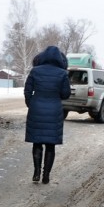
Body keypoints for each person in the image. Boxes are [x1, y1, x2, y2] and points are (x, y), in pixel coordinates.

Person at [24, 46, 71, 184]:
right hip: (54, 110)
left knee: (37, 142)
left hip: (36, 109)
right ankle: (46, 175)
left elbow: (27, 91)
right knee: (50, 145)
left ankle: (36, 172)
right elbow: (65, 94)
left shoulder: (35, 71)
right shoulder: (62, 74)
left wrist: (31, 104)